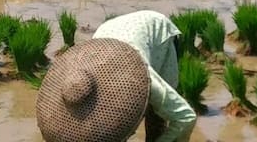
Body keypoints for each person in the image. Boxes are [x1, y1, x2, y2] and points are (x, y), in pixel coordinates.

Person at [36, 10, 196, 142]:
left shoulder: (144, 77)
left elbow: (186, 118)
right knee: (108, 128)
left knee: (156, 117)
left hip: (157, 30)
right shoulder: (79, 74)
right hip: (110, 32)